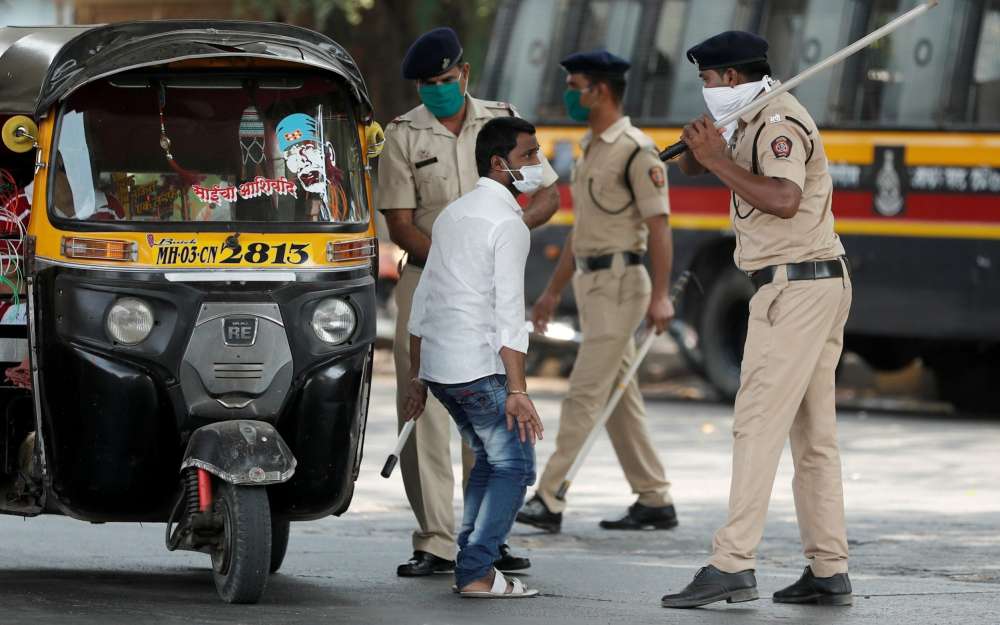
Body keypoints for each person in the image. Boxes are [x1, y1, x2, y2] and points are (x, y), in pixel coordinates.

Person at [660, 31, 853, 609]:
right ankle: (829, 567)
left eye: (708, 80)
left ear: (733, 79)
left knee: (756, 424)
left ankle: (732, 563)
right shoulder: (748, 120)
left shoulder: (777, 123)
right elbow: (705, 171)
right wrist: (704, 154)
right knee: (812, 437)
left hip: (795, 288)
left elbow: (784, 198)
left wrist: (718, 160)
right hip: (812, 283)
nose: (705, 90)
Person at [378, 26, 560, 577]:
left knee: (490, 399)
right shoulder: (403, 134)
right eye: (426, 83)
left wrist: (504, 232)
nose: (436, 89)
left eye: (445, 79)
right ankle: (434, 539)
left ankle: (486, 536)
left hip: (490, 278)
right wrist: (461, 257)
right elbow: (399, 224)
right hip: (428, 275)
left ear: (465, 75)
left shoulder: (502, 122)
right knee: (427, 402)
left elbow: (547, 193)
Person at [516, 50, 677, 534]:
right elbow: (581, 232)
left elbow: (660, 226)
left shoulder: (635, 150)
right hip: (592, 284)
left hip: (622, 285)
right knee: (618, 397)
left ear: (600, 91)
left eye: (575, 85)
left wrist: (662, 295)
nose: (569, 94)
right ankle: (654, 499)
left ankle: (549, 496)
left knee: (585, 392)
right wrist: (550, 293)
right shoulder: (595, 148)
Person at [403, 116, 545, 598]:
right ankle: (478, 573)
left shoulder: (453, 215)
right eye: (529, 155)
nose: (539, 163)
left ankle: (470, 554)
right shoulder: (508, 223)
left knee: (490, 457)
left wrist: (417, 377)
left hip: (443, 369)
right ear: (498, 163)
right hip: (478, 367)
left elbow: (423, 299)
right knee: (515, 466)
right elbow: (509, 312)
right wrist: (518, 390)